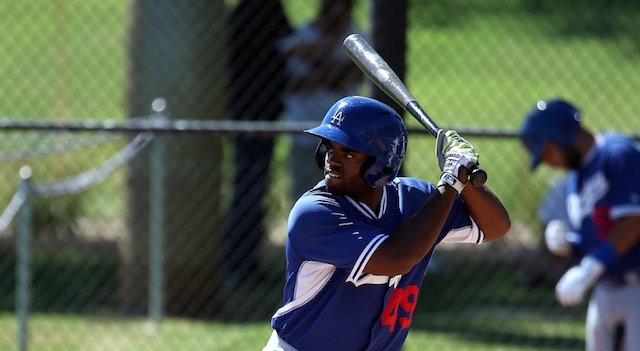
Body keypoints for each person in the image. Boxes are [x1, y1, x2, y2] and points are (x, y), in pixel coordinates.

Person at [263, 96, 511, 350]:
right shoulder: (314, 214)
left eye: (348, 153)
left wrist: (463, 175)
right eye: (330, 147)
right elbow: (396, 258)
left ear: (382, 162)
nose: (332, 160)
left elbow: (495, 227)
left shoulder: (416, 200)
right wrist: (450, 183)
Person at [519, 98, 640, 351]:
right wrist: (569, 245)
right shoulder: (574, 182)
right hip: (606, 290)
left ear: (564, 131)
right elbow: (595, 240)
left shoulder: (617, 154)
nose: (549, 162)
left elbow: (633, 222)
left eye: (547, 151)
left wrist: (588, 268)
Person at [224, 0, 292, 286]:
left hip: (255, 114)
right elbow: (283, 50)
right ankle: (238, 265)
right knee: (249, 191)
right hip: (254, 114)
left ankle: (244, 264)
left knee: (251, 189)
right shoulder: (260, 11)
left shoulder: (249, 13)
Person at [278, 0, 364, 200]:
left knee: (341, 195)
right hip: (305, 129)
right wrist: (332, 68)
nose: (339, 14)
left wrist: (319, 59)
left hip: (342, 135)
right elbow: (294, 85)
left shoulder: (355, 37)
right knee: (303, 193)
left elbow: (356, 74)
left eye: (345, 9)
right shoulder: (300, 36)